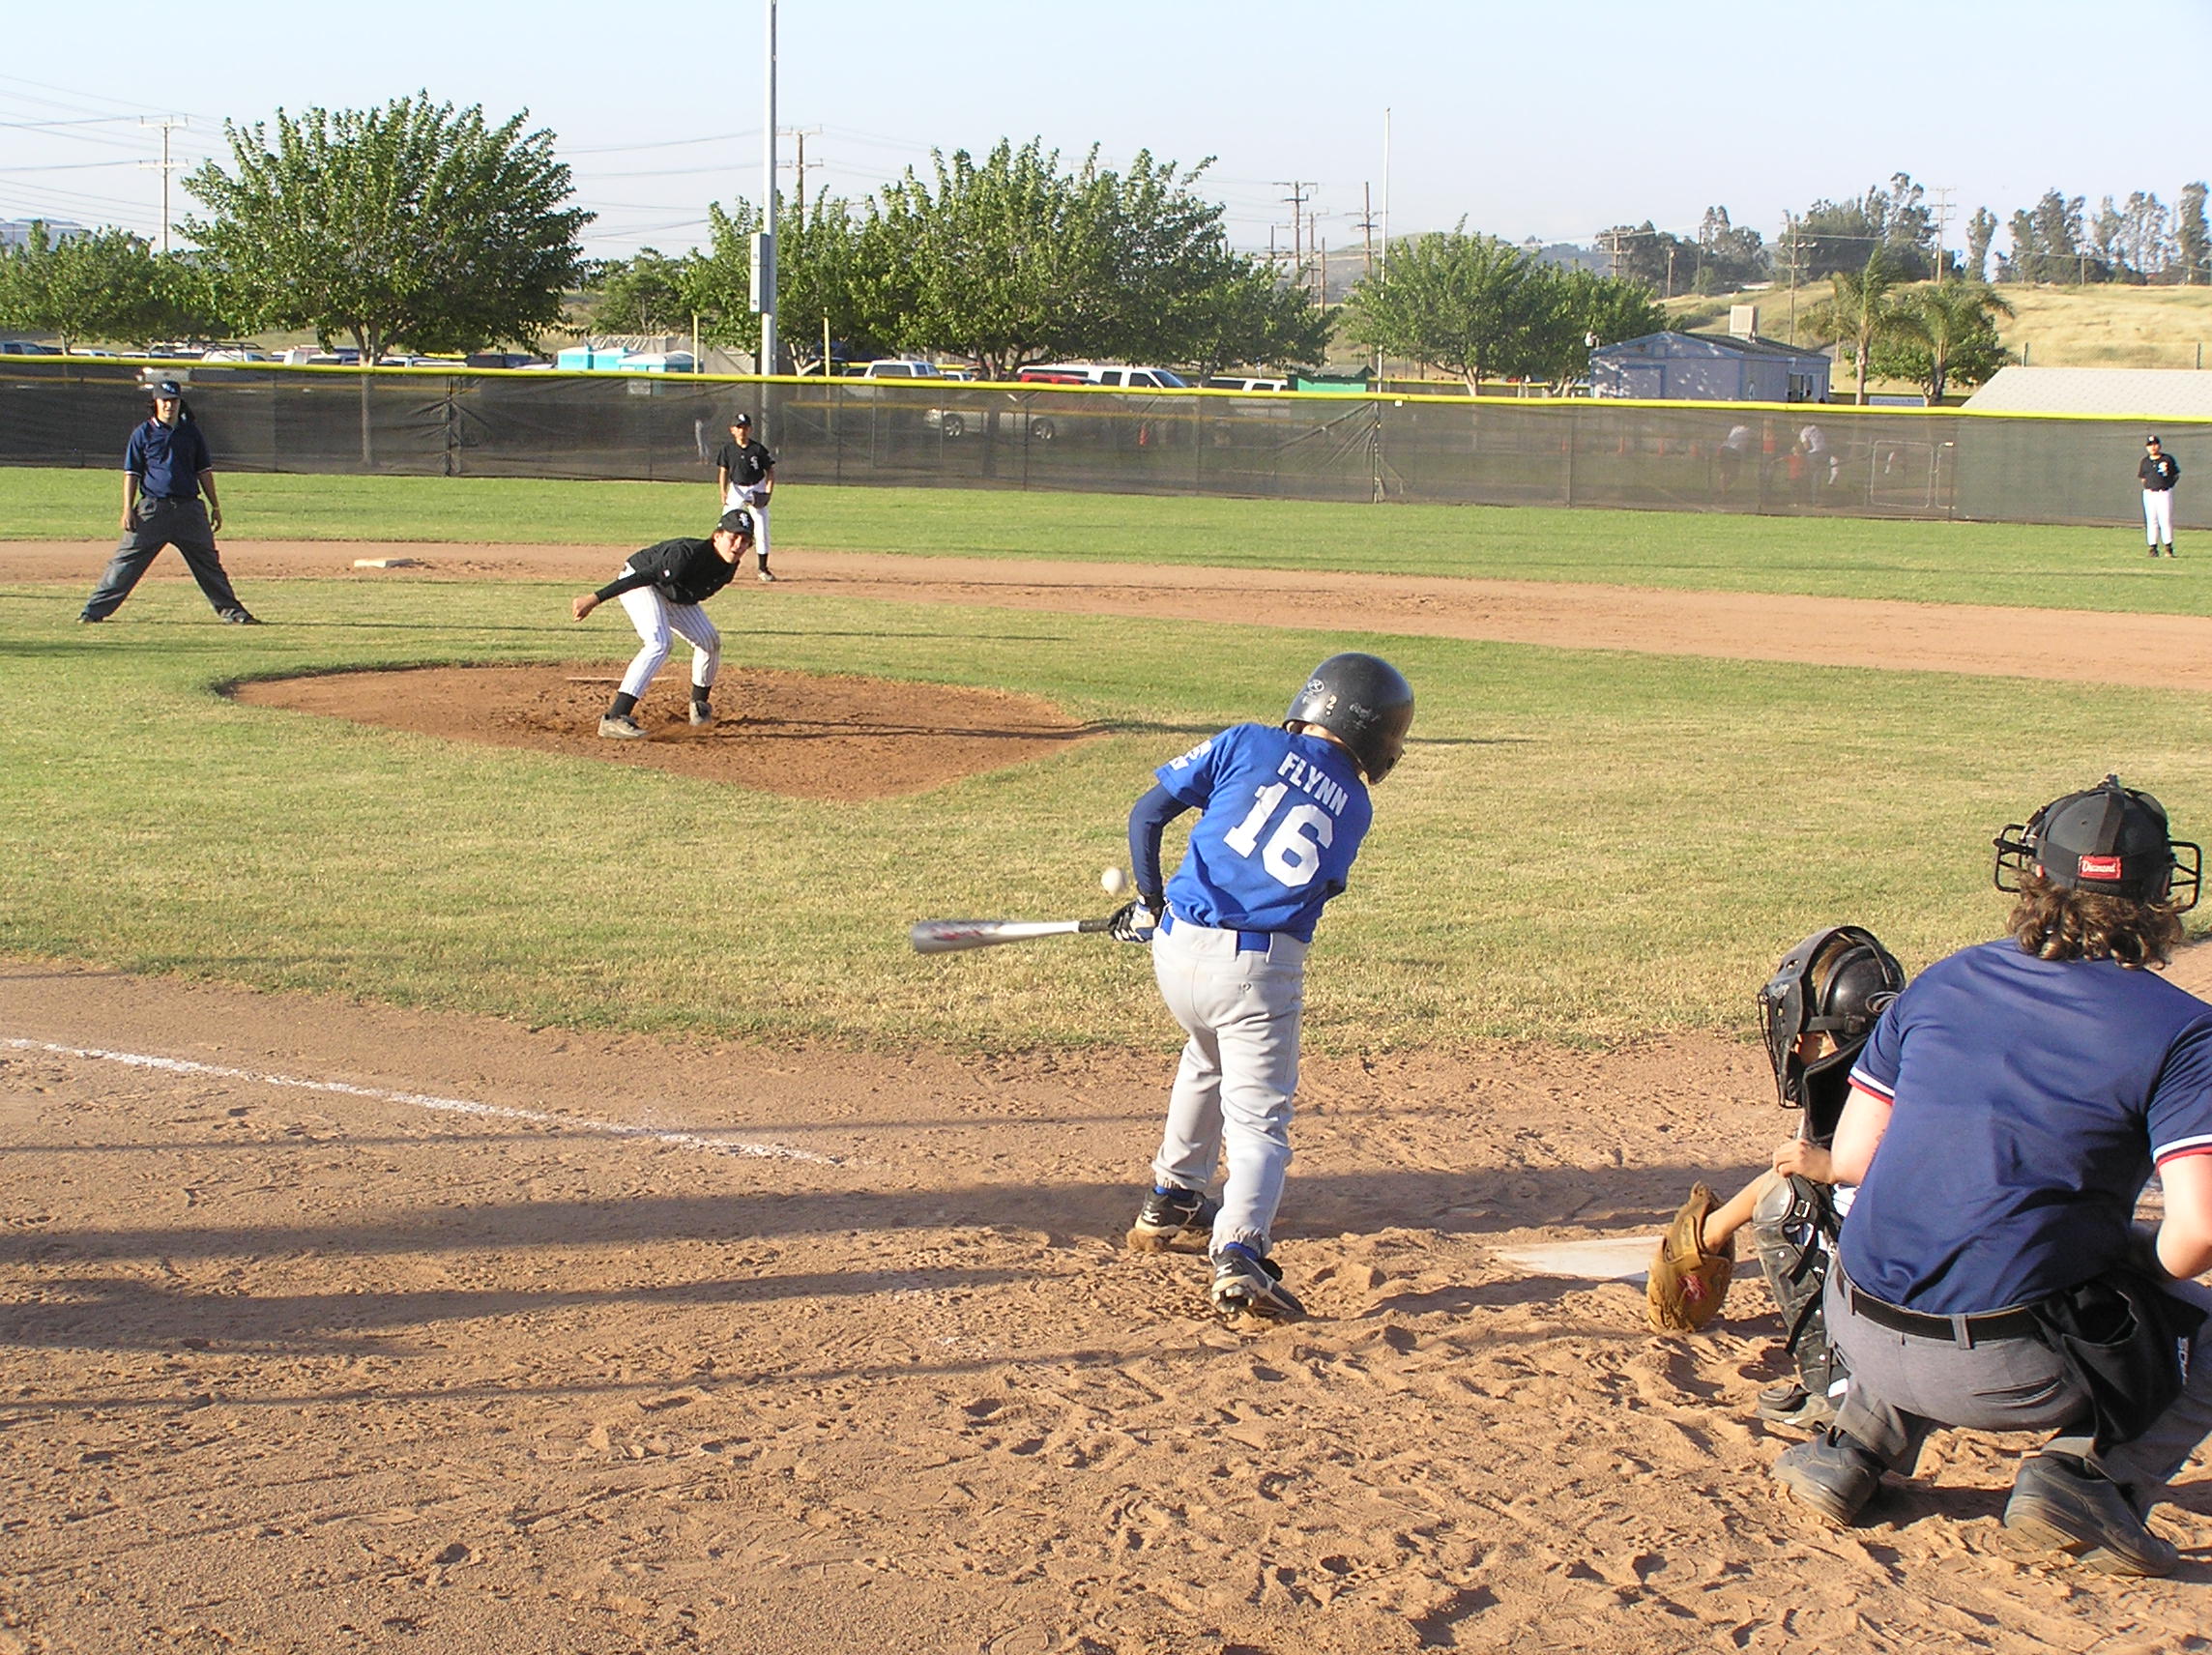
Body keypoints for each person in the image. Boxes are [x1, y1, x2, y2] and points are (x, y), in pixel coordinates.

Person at [1770, 776, 2212, 1578]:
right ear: (2161, 894)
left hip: (1856, 1328)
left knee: (1952, 1221)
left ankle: (1853, 1445)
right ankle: (2090, 1478)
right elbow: (2196, 1238)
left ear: (2033, 875)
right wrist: (2126, 1256)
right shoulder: (2185, 1032)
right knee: (2143, 1287)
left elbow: (1857, 1161)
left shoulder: (1945, 978)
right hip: (2013, 1374)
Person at [1115, 653, 1414, 1321]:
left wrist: (1149, 902)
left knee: (1205, 1056)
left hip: (1176, 953)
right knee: (1260, 1120)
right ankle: (1241, 1249)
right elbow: (1309, 890)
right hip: (1256, 973)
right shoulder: (1355, 804)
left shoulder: (1245, 740)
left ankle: (1172, 1195)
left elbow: (1147, 815)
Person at [1645, 927, 1906, 1434]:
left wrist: (1831, 1172)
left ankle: (1838, 1388)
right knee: (1802, 1186)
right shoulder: (1911, 1069)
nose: (1792, 1039)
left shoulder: (1852, 1100)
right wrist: (1715, 1229)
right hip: (1976, 1285)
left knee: (1787, 1208)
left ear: (1823, 1035)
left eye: (1797, 1025)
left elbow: (1796, 1182)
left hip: (1909, 1300)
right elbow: (1796, 1165)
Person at [79, 379, 259, 625]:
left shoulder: (191, 432)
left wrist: (215, 506)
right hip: (153, 510)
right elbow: (132, 473)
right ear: (155, 402)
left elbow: (204, 471)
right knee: (125, 563)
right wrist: (127, 509)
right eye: (164, 400)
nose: (169, 405)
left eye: (173, 400)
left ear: (179, 402)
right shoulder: (143, 433)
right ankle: (92, 612)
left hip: (189, 510)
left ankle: (234, 613)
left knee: (209, 565)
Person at [568, 508, 756, 739]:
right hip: (640, 581)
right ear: (717, 536)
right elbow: (642, 577)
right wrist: (594, 599)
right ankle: (615, 717)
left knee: (709, 641)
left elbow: (689, 593)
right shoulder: (686, 554)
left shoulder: (728, 566)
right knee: (659, 643)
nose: (738, 545)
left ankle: (699, 707)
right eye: (733, 537)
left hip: (670, 591)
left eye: (745, 541)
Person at [713, 412, 777, 582]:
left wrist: (767, 492)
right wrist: (723, 491)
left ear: (750, 429)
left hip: (757, 487)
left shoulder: (758, 449)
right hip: (736, 489)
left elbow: (770, 471)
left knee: (761, 527)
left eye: (745, 427)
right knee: (726, 525)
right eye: (739, 427)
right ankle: (720, 566)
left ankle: (763, 569)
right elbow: (723, 471)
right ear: (732, 430)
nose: (742, 430)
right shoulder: (727, 449)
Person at [2139, 435, 2179, 558]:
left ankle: (2168, 547)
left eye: (2155, 444)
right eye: (2150, 445)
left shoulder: (2167, 459)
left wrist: (2168, 485)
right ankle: (2153, 547)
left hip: (2164, 492)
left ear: (2159, 445)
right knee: (2152, 520)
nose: (2153, 447)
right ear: (2146, 447)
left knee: (2165, 519)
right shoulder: (2145, 461)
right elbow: (2143, 478)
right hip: (2150, 493)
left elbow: (2175, 474)